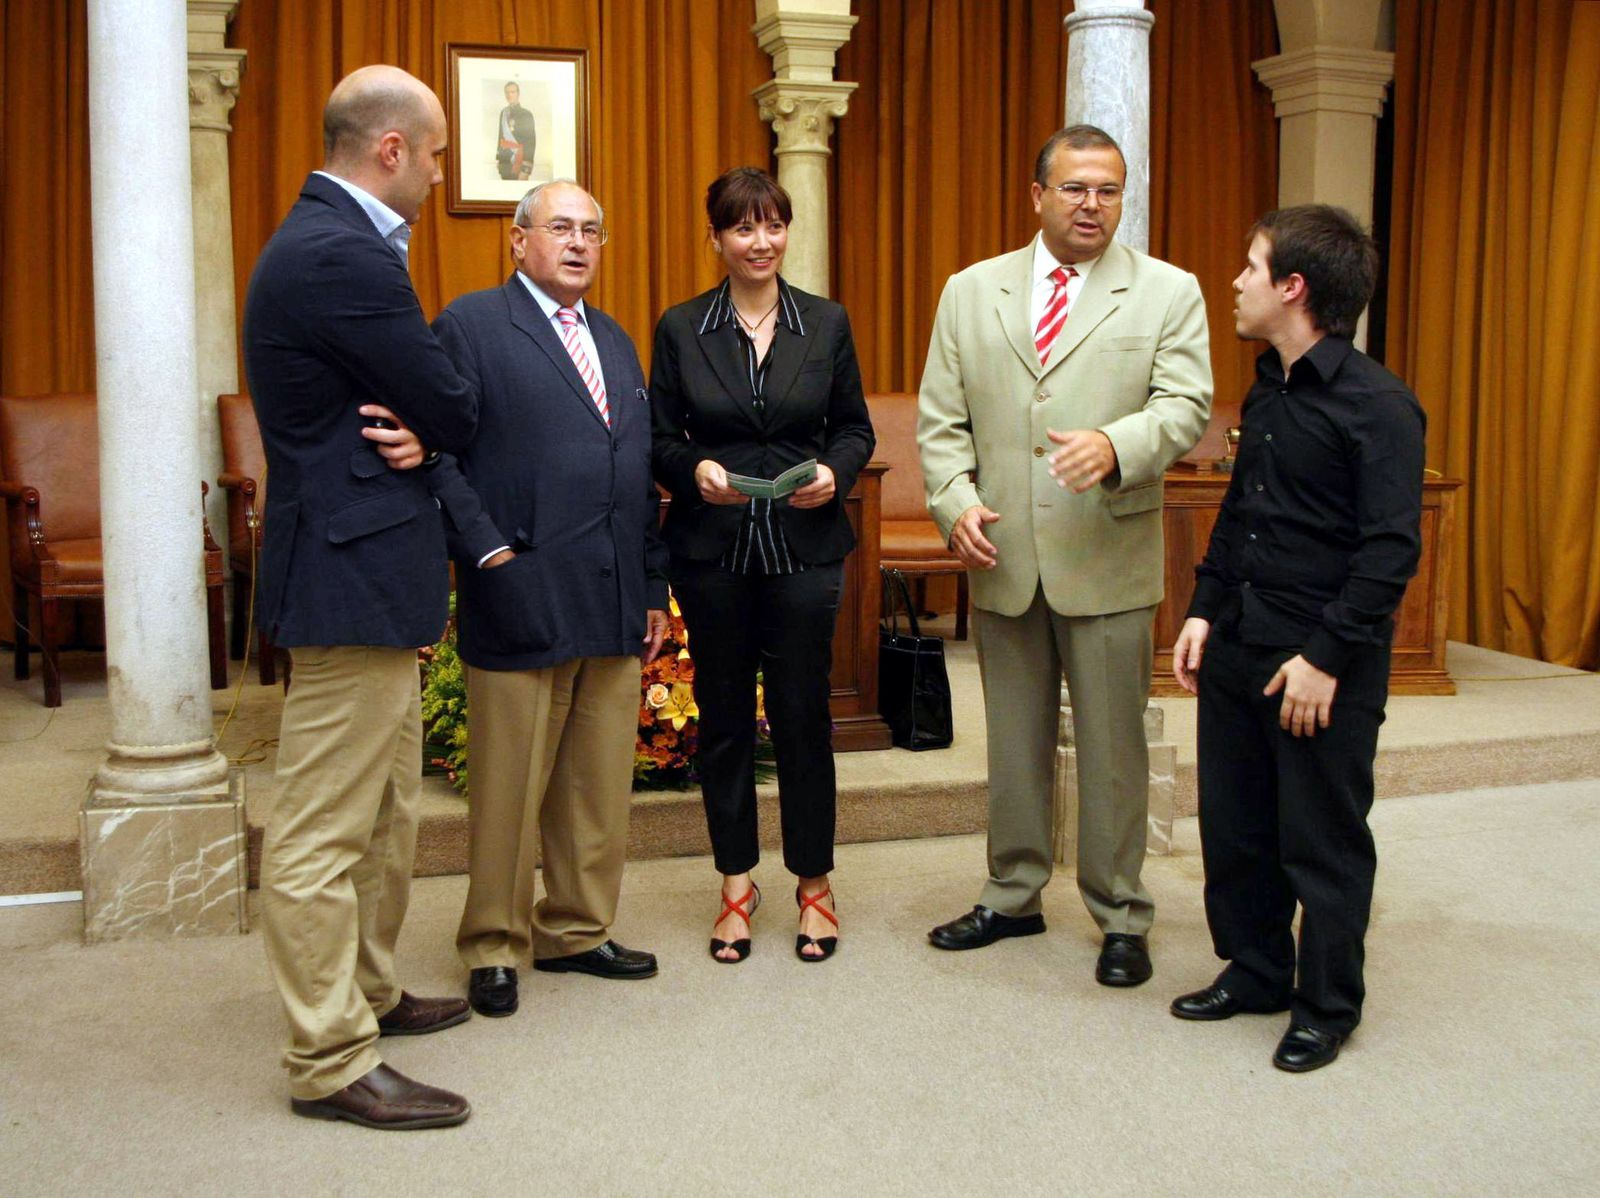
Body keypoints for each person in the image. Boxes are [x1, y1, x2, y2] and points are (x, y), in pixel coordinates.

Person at [918, 125, 1212, 985]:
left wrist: (1118, 445)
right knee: (1012, 741)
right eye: (1077, 188)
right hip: (1003, 553)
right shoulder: (970, 292)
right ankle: (1011, 894)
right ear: (1037, 194)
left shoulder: (1166, 291)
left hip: (1107, 553)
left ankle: (1121, 910)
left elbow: (1186, 402)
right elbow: (942, 424)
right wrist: (955, 503)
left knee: (1115, 748)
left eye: (1110, 191)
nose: (1094, 205)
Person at [243, 65, 479, 1130]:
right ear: (390, 150)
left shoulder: (329, 243)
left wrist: (428, 422)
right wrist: (437, 420)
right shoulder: (343, 255)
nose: (438, 172)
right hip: (346, 577)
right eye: (433, 154)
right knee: (320, 831)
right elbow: (448, 398)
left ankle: (369, 993)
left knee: (385, 811)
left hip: (364, 569)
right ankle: (330, 1056)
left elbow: (420, 405)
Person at [1169, 205, 1425, 1073]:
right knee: (1236, 826)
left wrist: (1324, 660)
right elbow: (1242, 514)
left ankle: (1326, 1005)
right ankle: (1256, 969)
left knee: (1320, 837)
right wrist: (1203, 606)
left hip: (1320, 662)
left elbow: (1391, 553)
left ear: (1293, 287)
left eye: (1251, 267)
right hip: (1241, 639)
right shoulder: (1268, 389)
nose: (1235, 282)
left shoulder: (1381, 406)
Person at [427, 180, 668, 1017]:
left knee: (595, 785)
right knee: (508, 788)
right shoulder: (470, 326)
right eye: (560, 227)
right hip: (519, 588)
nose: (577, 242)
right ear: (517, 240)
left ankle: (575, 929)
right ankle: (493, 942)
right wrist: (486, 550)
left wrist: (652, 583)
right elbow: (436, 453)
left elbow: (635, 475)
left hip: (610, 597)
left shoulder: (616, 339)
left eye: (591, 230)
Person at [650, 167, 875, 963]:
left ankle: (815, 885)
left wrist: (834, 474)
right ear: (715, 238)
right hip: (713, 552)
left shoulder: (827, 322)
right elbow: (661, 438)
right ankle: (736, 887)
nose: (761, 242)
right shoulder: (681, 327)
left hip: (804, 551)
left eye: (773, 225)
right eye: (743, 228)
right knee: (722, 723)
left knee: (805, 718)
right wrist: (692, 472)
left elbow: (855, 429)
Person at [496, 81, 536, 181]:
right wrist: (498, 158)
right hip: (505, 162)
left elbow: (531, 142)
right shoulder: (503, 113)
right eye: (507, 92)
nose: (509, 95)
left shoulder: (526, 114)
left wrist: (526, 169)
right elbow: (500, 137)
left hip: (520, 161)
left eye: (512, 92)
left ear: (518, 93)